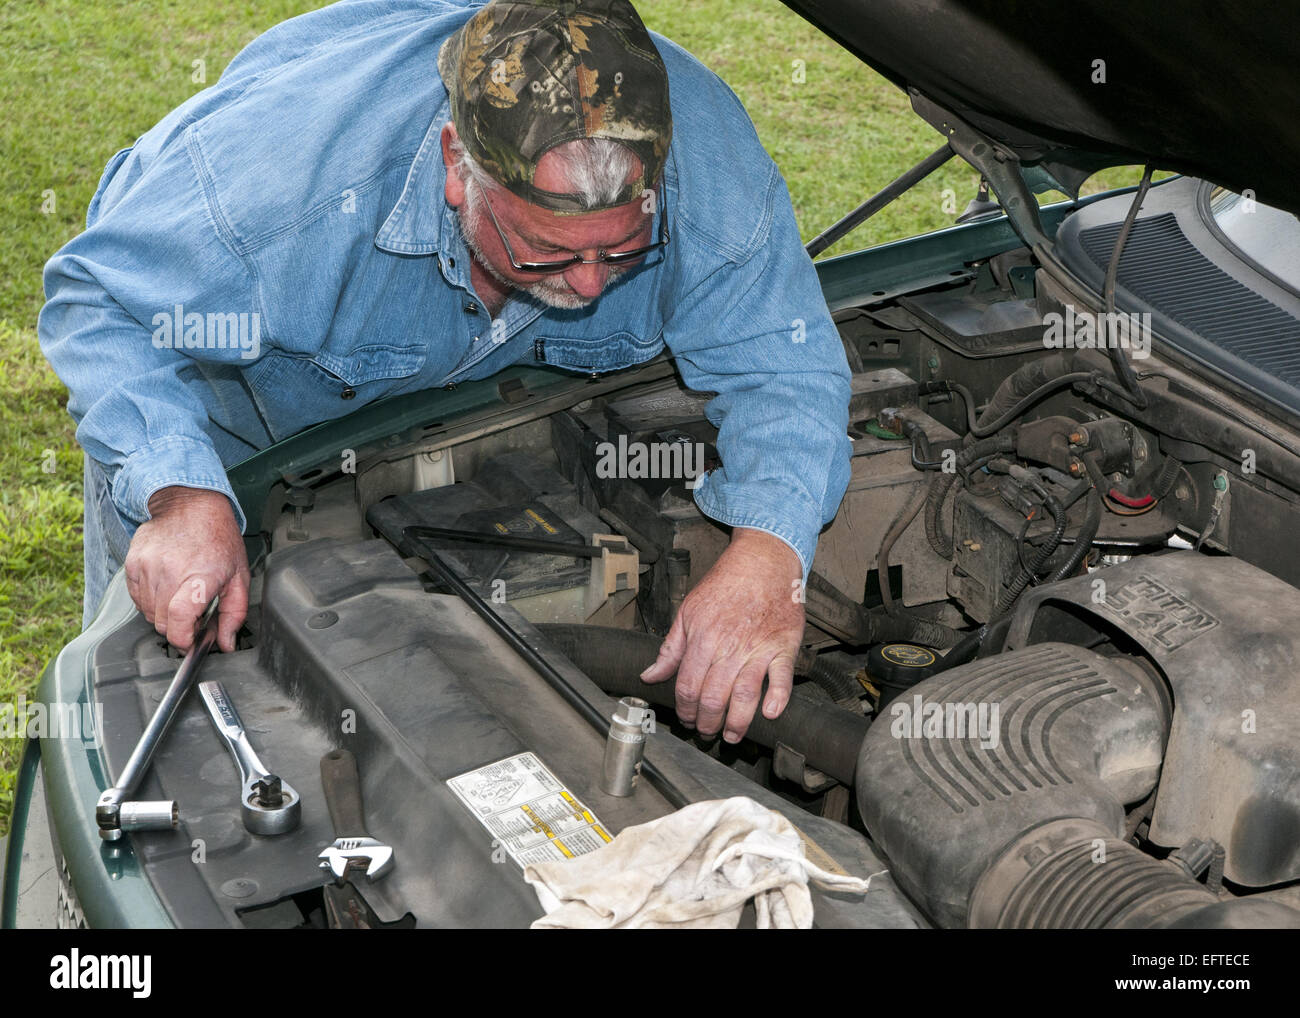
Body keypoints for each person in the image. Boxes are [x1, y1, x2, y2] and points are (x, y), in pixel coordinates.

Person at [39, 0, 851, 743]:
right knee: (162, 719)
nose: (595, 282)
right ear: (458, 167)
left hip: (448, 453)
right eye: (551, 250)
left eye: (625, 249)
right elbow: (96, 297)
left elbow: (784, 360)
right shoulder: (290, 192)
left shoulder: (704, 162)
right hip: (225, 436)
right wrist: (180, 498)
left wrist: (767, 557)